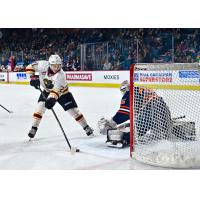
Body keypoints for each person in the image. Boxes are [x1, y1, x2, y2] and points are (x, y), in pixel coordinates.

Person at [25, 54, 94, 139]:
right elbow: (29, 67)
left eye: (59, 65)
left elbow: (56, 91)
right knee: (39, 108)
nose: (57, 68)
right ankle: (34, 128)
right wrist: (32, 78)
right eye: (54, 65)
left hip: (62, 93)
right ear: (50, 64)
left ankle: (86, 127)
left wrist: (51, 100)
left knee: (73, 111)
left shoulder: (61, 75)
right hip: (47, 91)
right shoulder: (42, 65)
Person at [98, 80, 172, 147]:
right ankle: (162, 130)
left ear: (126, 88)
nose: (123, 92)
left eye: (123, 90)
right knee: (144, 126)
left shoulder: (129, 93)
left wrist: (112, 122)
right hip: (164, 110)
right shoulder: (140, 89)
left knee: (136, 131)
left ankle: (124, 139)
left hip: (151, 109)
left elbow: (125, 113)